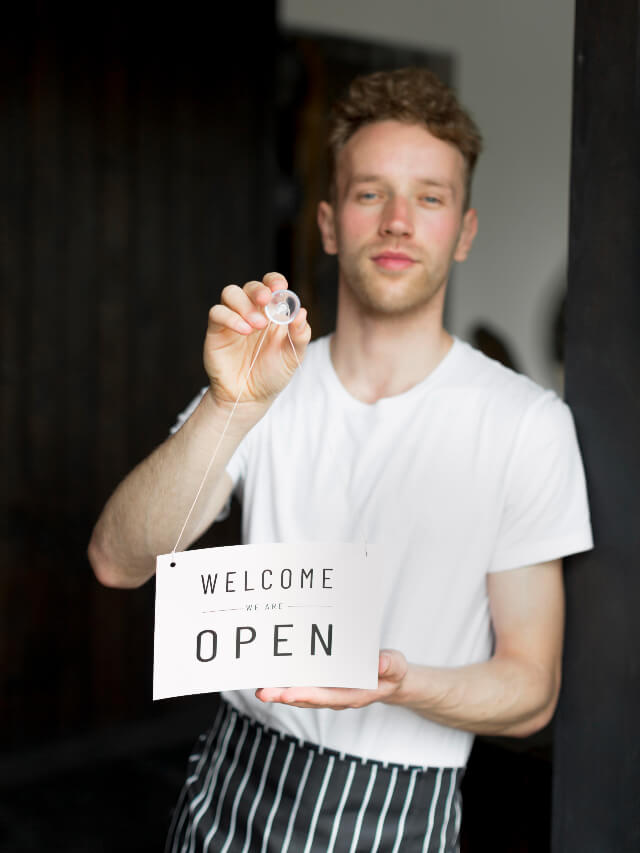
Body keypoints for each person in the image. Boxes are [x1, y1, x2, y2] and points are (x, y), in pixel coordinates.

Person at [88, 67, 592, 852]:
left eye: (429, 197)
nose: (398, 221)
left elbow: (532, 692)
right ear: (328, 222)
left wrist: (397, 679)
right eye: (369, 194)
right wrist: (230, 406)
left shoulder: (528, 423)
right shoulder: (263, 381)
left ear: (463, 230)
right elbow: (118, 560)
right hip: (230, 783)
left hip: (404, 806)